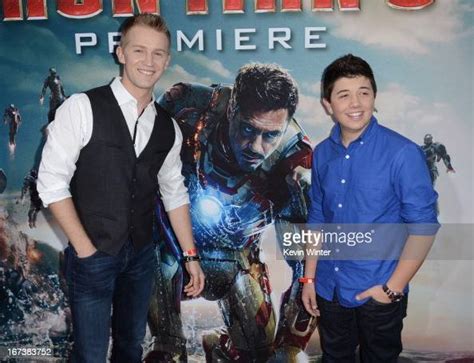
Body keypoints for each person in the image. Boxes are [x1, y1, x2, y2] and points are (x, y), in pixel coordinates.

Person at [37, 14, 204, 363]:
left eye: (158, 53)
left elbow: (174, 193)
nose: (149, 61)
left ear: (167, 60)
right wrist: (84, 249)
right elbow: (51, 183)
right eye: (139, 50)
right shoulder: (81, 108)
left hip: (142, 257)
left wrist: (190, 256)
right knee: (91, 355)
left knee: (130, 347)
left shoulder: (168, 128)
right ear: (121, 53)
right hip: (92, 255)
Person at [145, 64, 317, 363]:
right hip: (167, 248)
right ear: (232, 109)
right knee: (166, 354)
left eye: (270, 135)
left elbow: (309, 269)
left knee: (262, 357)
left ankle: (220, 347)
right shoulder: (185, 108)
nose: (255, 146)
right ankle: (166, 341)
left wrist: (291, 345)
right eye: (248, 129)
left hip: (235, 260)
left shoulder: (295, 164)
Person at [301, 54, 439, 362]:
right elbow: (318, 217)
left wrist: (392, 289)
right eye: (344, 94)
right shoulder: (322, 153)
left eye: (364, 92)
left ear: (374, 97)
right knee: (335, 357)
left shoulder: (403, 153)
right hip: (329, 288)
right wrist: (309, 278)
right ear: (327, 105)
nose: (356, 103)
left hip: (378, 291)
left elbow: (424, 227)